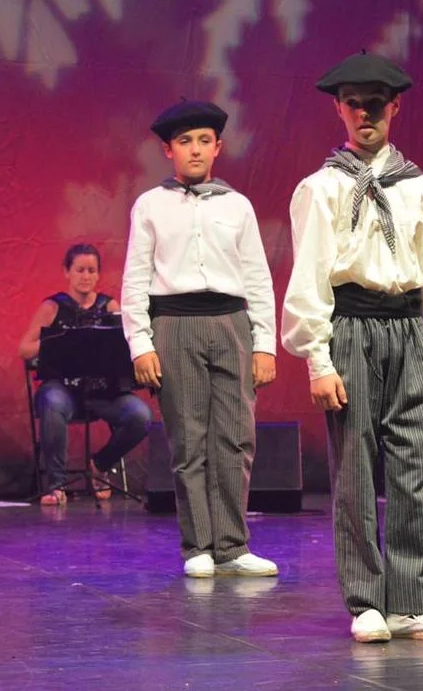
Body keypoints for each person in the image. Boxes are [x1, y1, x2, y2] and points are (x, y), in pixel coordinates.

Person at [281, 51, 423, 643]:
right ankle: (366, 600)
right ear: (339, 110)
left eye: (376, 105)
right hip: (352, 328)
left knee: (412, 465)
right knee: (356, 466)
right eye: (354, 104)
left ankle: (410, 602)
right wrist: (318, 359)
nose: (365, 114)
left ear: (395, 108)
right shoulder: (322, 187)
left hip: (408, 327)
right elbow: (311, 273)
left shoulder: (418, 187)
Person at [121, 100, 279, 579]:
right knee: (189, 439)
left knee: (235, 437)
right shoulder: (151, 205)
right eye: (185, 141)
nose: (195, 150)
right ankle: (198, 547)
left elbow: (258, 277)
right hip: (176, 323)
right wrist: (141, 344)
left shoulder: (237, 205)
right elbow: (135, 279)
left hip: (230, 322)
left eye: (204, 141)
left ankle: (232, 545)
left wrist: (265, 343)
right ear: (168, 150)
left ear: (218, 148)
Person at [19, 243, 152, 505]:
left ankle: (100, 465)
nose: (86, 276)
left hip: (104, 392)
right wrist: (57, 340)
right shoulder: (53, 307)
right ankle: (56, 486)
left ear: (99, 274)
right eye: (80, 270)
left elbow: (127, 344)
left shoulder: (109, 306)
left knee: (140, 416)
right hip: (65, 391)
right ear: (67, 272)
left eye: (92, 270)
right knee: (51, 402)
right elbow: (25, 349)